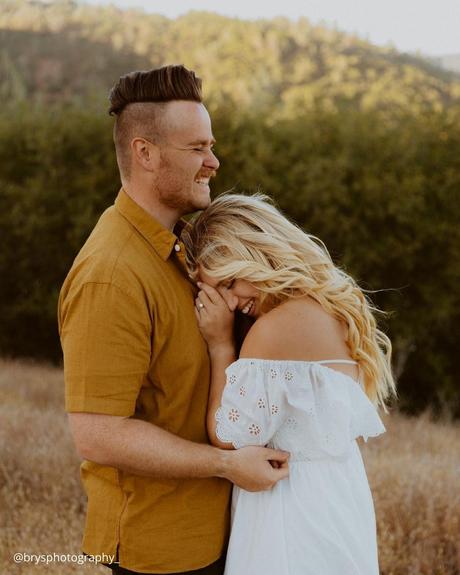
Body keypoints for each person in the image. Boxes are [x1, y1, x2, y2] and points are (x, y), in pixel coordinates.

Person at [58, 66, 290, 575]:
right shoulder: (112, 274)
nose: (214, 161)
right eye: (197, 148)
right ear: (145, 153)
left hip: (219, 529)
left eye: (211, 145)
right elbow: (98, 433)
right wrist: (228, 464)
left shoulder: (184, 247)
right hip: (160, 548)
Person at [181, 192, 397, 575]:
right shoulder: (329, 306)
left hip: (292, 510)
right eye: (219, 292)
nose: (230, 303)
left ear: (258, 252)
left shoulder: (274, 329)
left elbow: (229, 435)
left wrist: (220, 346)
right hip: (336, 498)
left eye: (231, 282)